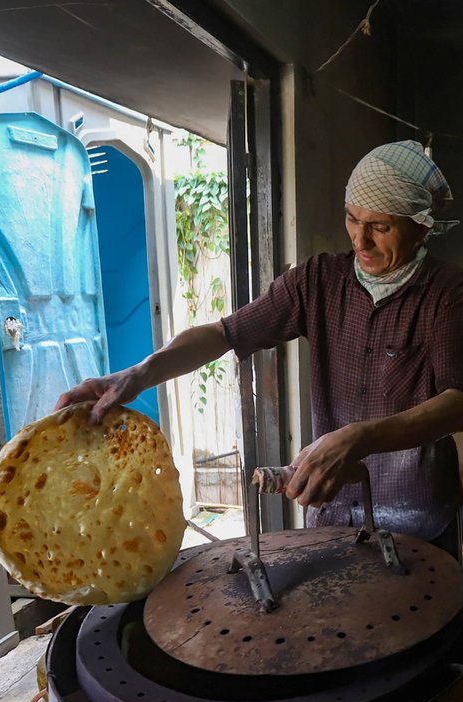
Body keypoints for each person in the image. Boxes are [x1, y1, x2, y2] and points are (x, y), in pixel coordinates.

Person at [56, 140, 463, 550]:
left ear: (421, 228)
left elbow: (457, 402)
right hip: (330, 515)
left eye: (380, 227)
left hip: (416, 524)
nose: (361, 240)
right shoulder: (318, 280)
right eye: (352, 219)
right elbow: (223, 333)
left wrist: (359, 438)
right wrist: (138, 374)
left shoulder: (448, 294)